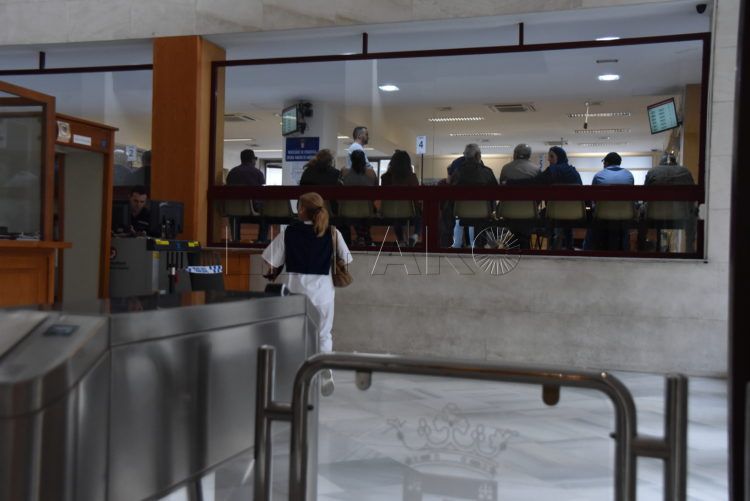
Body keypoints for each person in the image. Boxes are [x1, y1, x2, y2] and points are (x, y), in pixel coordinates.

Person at [262, 192, 353, 396]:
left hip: (296, 292)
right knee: (324, 334)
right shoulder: (332, 232)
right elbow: (347, 259)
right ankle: (324, 367)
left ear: (302, 209)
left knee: (295, 335)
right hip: (323, 293)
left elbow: (270, 260)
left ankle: (298, 377)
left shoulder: (289, 232)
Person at [643, 152, 697, 251]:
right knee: (694, 212)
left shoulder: (653, 171)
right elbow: (693, 194)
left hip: (655, 213)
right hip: (681, 214)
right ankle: (690, 249)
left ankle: (642, 247)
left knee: (641, 212)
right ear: (675, 161)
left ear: (661, 161)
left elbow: (644, 195)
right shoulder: (685, 171)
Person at [450, 144, 498, 247]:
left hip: (461, 212)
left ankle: (454, 244)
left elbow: (450, 192)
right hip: (483, 212)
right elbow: (496, 192)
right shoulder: (487, 172)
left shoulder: (457, 173)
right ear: (478, 155)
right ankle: (488, 243)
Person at [587, 152, 634, 250]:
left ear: (606, 163)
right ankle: (624, 249)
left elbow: (593, 198)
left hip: (603, 215)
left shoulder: (599, 175)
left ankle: (590, 249)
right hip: (624, 214)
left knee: (592, 223)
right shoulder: (629, 175)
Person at [538, 146, 583, 249]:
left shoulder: (551, 170)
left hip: (555, 211)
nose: (548, 159)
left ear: (559, 157)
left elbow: (538, 184)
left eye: (551, 156)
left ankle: (554, 248)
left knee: (545, 216)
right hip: (573, 212)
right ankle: (569, 248)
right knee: (567, 226)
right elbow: (581, 191)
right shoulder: (574, 172)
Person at [225, 149, 268, 242]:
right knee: (266, 217)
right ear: (252, 160)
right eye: (255, 159)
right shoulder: (257, 173)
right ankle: (261, 242)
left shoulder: (232, 172)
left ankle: (235, 241)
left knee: (234, 217)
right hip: (253, 211)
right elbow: (262, 192)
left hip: (234, 210)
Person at [381, 149, 421, 246]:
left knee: (396, 216)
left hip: (390, 211)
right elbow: (416, 197)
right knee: (420, 215)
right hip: (409, 211)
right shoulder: (411, 177)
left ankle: (401, 240)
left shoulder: (385, 177)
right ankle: (415, 235)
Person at [342, 149, 377, 245]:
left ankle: (361, 237)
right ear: (364, 160)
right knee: (365, 214)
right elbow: (376, 191)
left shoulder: (344, 172)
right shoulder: (371, 173)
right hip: (367, 208)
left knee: (356, 215)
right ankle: (365, 238)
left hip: (349, 208)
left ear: (351, 160)